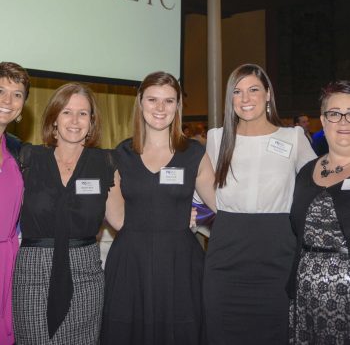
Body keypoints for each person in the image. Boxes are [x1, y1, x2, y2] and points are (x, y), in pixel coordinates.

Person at [203, 63, 316, 344]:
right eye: (237, 92)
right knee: (221, 331)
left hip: (277, 252)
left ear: (268, 95)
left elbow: (317, 188)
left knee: (274, 333)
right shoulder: (216, 139)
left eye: (253, 90)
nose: (245, 98)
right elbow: (202, 190)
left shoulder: (293, 137)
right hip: (226, 252)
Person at [101, 71, 216, 345]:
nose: (160, 108)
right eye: (152, 99)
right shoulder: (121, 153)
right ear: (140, 103)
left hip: (181, 262)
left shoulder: (194, 153)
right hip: (132, 262)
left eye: (169, 100)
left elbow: (220, 204)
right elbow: (116, 217)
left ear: (178, 106)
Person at [12, 82, 120, 344]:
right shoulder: (27, 158)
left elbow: (123, 220)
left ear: (91, 121)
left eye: (83, 113)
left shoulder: (105, 162)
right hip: (32, 275)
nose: (75, 120)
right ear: (54, 118)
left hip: (85, 275)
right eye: (67, 112)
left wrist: (173, 215)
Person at [288, 80, 350, 344]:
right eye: (335, 114)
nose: (344, 122)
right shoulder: (305, 172)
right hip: (305, 295)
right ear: (323, 122)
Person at [0, 62, 30, 345]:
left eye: (17, 94)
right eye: (0, 90)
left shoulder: (17, 149)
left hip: (9, 264)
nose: (8, 101)